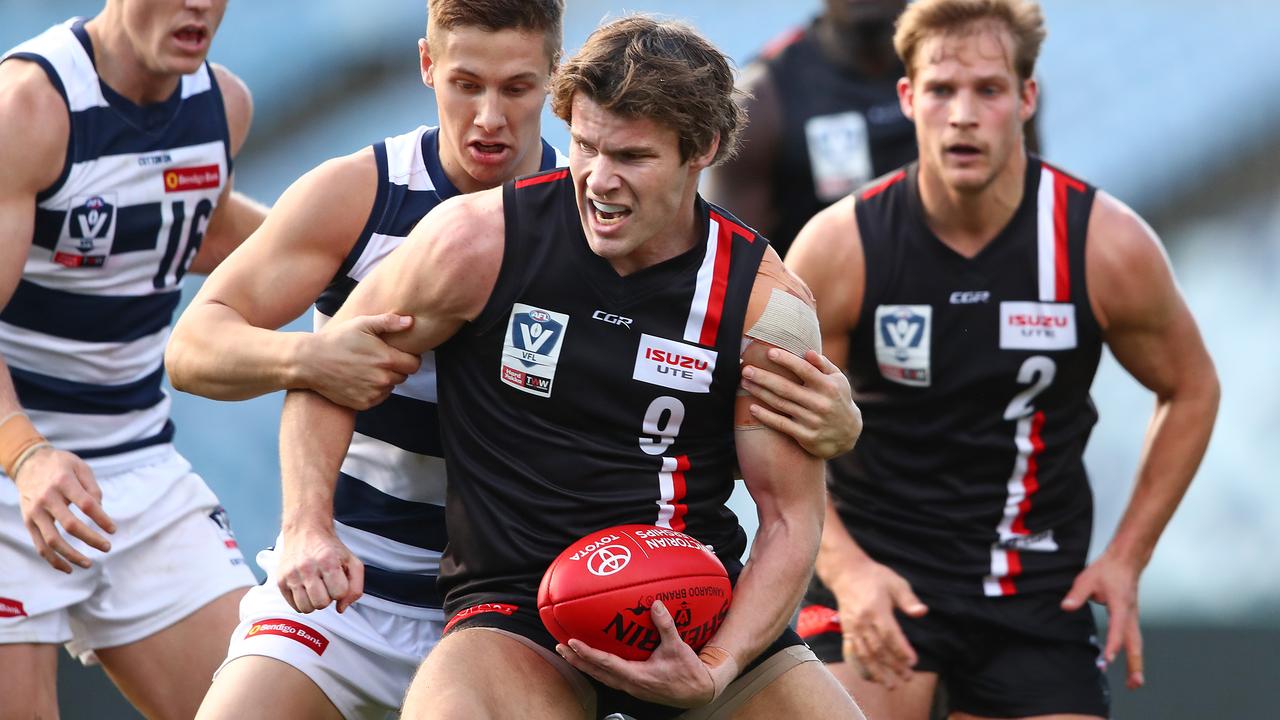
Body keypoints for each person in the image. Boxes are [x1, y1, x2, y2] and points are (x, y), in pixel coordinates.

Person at [165, 3, 860, 718]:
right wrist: (307, 523)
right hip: (508, 610)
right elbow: (327, 372)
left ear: (703, 149)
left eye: (631, 157)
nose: (599, 179)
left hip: (695, 601)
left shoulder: (763, 302)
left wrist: (718, 667)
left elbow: (787, 519)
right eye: (587, 146)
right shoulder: (474, 239)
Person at [773, 1, 1220, 719]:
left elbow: (1192, 388)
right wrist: (848, 572)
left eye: (988, 89)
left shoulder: (1104, 245)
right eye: (942, 90)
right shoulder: (840, 247)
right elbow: (771, 428)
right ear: (908, 98)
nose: (963, 115)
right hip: (882, 583)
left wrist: (1128, 557)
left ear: (1026, 98)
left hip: (1033, 595)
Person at [0, 1, 267, 717]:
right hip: (9, 464)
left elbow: (190, 225)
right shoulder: (30, 105)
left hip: (138, 470)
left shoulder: (222, 106)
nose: (198, 6)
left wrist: (346, 254)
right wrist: (26, 455)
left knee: (265, 700)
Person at [705, 0, 1041, 261]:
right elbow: (730, 265)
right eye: (940, 91)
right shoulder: (763, 99)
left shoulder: (987, 78)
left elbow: (1030, 212)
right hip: (824, 320)